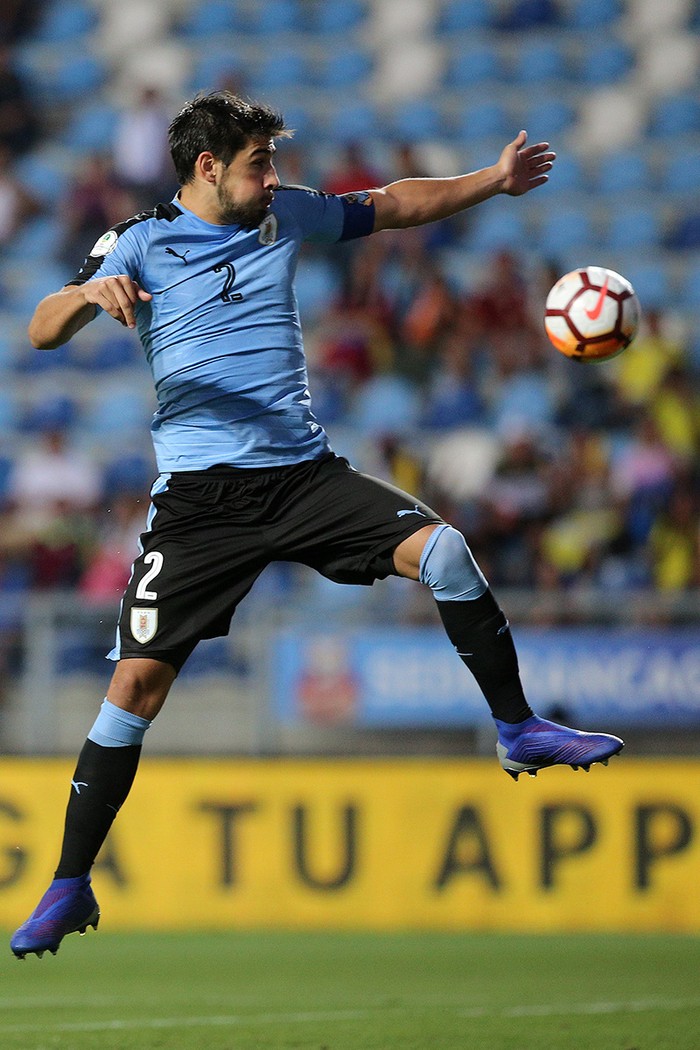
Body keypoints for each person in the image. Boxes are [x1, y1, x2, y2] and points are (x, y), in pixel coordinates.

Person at [11, 91, 623, 960]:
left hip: (302, 476)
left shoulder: (283, 217)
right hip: (199, 503)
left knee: (445, 551)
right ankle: (69, 883)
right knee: (135, 689)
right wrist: (86, 294)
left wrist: (491, 181)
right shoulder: (138, 238)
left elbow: (394, 204)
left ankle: (518, 729)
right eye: (259, 163)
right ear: (208, 166)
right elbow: (39, 328)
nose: (274, 177)